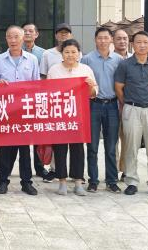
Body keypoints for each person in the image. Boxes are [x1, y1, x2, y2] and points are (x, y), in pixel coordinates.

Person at [114, 31, 148, 197]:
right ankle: (131, 181)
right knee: (131, 146)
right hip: (131, 109)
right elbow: (119, 88)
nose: (142, 45)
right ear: (133, 44)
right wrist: (129, 103)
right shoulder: (124, 65)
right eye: (138, 42)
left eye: (145, 42)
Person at [0, 26, 40, 196]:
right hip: (6, 109)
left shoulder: (32, 59)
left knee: (25, 149)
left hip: (25, 109)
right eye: (9, 37)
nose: (13, 40)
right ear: (6, 39)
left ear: (23, 38)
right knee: (5, 147)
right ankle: (3, 181)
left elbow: (37, 84)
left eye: (16, 36)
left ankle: (26, 182)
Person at [47, 39, 98, 196]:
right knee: (60, 149)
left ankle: (78, 182)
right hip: (59, 115)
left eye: (73, 52)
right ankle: (62, 181)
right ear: (62, 54)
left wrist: (90, 86)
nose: (70, 55)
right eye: (67, 52)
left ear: (79, 54)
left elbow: (93, 94)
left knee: (78, 149)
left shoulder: (86, 69)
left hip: (79, 116)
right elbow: (47, 92)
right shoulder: (54, 70)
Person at [81, 27, 123, 193]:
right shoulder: (87, 59)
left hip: (112, 105)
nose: (103, 41)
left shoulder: (118, 60)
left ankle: (112, 180)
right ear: (95, 40)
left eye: (106, 38)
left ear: (111, 39)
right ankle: (93, 180)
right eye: (100, 38)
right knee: (92, 146)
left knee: (111, 146)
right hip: (93, 105)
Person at [22, 22, 50, 179]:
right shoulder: (14, 51)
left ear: (36, 34)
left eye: (30, 31)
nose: (27, 33)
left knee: (38, 133)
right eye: (25, 31)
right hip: (19, 100)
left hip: (38, 98)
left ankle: (39, 167)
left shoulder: (43, 53)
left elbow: (45, 75)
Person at [113, 27, 133, 180]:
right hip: (112, 105)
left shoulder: (134, 58)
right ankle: (112, 170)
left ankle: (126, 170)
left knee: (128, 139)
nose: (122, 41)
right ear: (113, 41)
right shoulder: (110, 58)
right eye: (118, 38)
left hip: (130, 106)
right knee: (112, 140)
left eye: (125, 38)